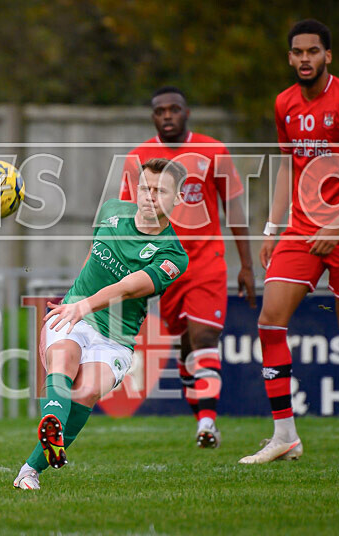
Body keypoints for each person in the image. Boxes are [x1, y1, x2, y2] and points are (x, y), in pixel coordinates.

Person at [239, 19, 339, 464]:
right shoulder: (284, 102)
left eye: (313, 51)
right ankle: (285, 437)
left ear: (328, 56)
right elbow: (288, 166)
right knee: (269, 320)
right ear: (289, 58)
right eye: (298, 52)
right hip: (302, 229)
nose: (305, 59)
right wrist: (272, 228)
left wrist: (338, 224)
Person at [13, 158, 190, 490]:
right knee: (63, 360)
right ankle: (51, 425)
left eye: (160, 191)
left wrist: (84, 305)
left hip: (115, 337)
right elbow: (92, 256)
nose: (150, 196)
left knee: (88, 390)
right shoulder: (111, 210)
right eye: (145, 188)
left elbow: (127, 287)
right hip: (71, 315)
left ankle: (30, 469)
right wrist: (74, 301)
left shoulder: (173, 255)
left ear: (178, 198)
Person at [119, 87, 256, 448]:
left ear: (187, 112)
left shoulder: (213, 152)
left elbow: (235, 210)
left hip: (207, 261)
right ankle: (203, 420)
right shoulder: (137, 158)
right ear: (152, 116)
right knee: (184, 346)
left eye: (174, 109)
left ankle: (207, 423)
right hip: (164, 265)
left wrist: (246, 265)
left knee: (204, 336)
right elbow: (126, 217)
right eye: (160, 110)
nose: (167, 115)